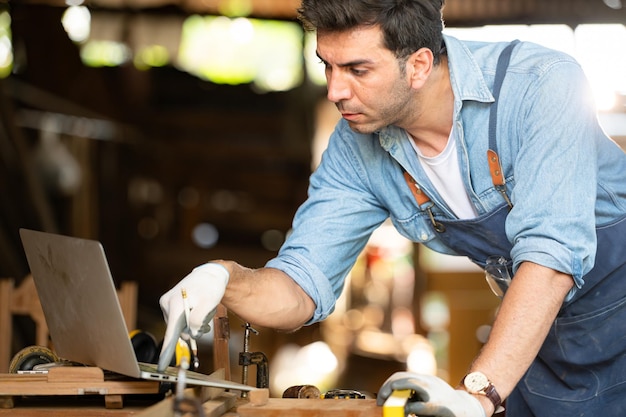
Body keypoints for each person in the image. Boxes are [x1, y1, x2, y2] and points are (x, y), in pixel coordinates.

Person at [158, 1, 626, 416]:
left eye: (357, 70)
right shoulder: (355, 146)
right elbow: (301, 284)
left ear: (419, 64)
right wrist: (224, 277)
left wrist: (477, 393)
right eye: (327, 66)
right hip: (540, 344)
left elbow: (550, 258)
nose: (334, 91)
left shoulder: (540, 85)